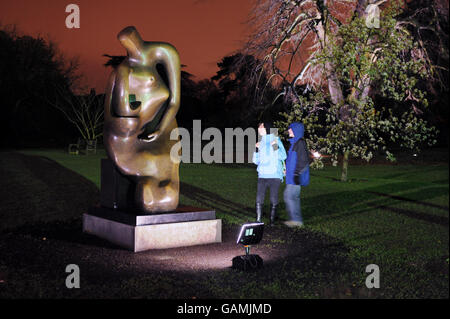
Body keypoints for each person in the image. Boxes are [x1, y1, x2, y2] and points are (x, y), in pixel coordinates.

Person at [252, 122, 287, 225]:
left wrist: (275, 146)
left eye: (261, 127)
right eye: (259, 127)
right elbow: (255, 161)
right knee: (259, 198)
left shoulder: (276, 139)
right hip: (262, 175)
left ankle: (272, 222)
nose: (259, 129)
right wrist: (256, 150)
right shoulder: (260, 142)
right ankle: (258, 220)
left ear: (267, 128)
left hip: (275, 175)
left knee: (273, 198)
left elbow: (283, 156)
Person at [283, 122, 310, 228]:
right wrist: (287, 170)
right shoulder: (294, 143)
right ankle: (296, 220)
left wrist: (296, 173)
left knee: (289, 197)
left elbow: (303, 161)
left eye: (290, 129)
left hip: (295, 178)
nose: (288, 130)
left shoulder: (299, 143)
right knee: (291, 197)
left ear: (296, 130)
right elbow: (292, 160)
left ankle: (296, 221)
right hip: (292, 176)